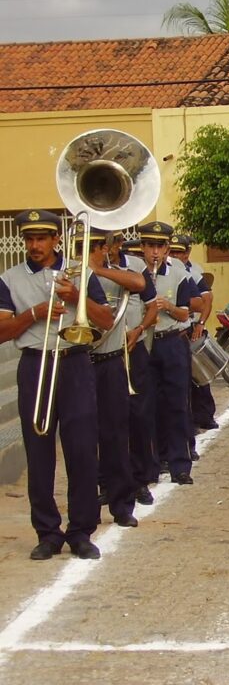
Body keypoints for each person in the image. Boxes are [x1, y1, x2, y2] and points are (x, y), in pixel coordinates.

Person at [0, 209, 113, 560]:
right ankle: (47, 532)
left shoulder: (80, 272)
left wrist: (75, 296)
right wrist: (35, 312)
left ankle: (81, 531)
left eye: (41, 238)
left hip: (75, 362)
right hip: (35, 362)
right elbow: (2, 332)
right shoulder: (8, 279)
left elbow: (106, 321)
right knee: (39, 450)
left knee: (81, 451)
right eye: (29, 239)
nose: (34, 245)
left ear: (55, 240)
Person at [78, 226, 150, 528]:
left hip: (110, 361)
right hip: (79, 361)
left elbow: (140, 283)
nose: (93, 251)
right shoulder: (70, 273)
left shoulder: (119, 272)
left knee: (116, 434)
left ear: (107, 248)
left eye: (98, 246)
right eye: (87, 246)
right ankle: (91, 497)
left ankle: (121, 504)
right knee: (82, 437)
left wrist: (99, 272)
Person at [140, 220, 201, 485]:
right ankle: (152, 465)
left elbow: (187, 312)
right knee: (148, 406)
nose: (155, 252)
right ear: (142, 247)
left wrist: (167, 307)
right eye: (150, 246)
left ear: (167, 248)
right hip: (145, 343)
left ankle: (180, 465)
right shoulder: (135, 273)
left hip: (172, 341)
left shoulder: (178, 273)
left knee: (177, 404)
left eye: (160, 246)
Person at [107, 231, 159, 505]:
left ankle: (140, 480)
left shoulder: (136, 266)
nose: (107, 249)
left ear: (118, 245)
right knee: (107, 422)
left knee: (138, 416)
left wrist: (139, 329)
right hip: (102, 350)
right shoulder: (87, 267)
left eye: (111, 243)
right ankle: (109, 480)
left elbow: (152, 305)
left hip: (132, 345)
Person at [170, 233, 218, 433]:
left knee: (199, 376)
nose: (176, 255)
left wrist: (200, 323)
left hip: (188, 327)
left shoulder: (193, 271)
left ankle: (205, 416)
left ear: (188, 253)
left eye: (180, 252)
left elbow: (206, 299)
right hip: (173, 329)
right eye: (173, 251)